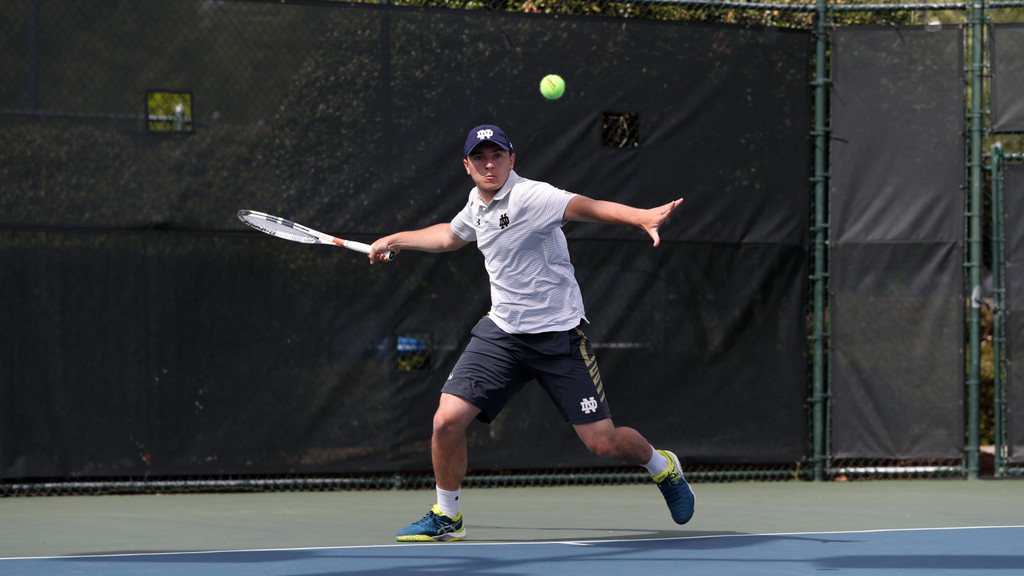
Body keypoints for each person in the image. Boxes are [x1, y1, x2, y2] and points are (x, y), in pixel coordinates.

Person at [368, 124, 693, 542]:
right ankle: (447, 515)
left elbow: (586, 206)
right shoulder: (476, 204)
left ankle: (662, 466)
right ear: (467, 165)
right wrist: (396, 239)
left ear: (512, 160)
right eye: (480, 158)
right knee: (445, 421)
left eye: (497, 156)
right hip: (503, 334)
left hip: (558, 338)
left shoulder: (531, 196)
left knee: (603, 443)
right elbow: (450, 235)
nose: (489, 165)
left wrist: (641, 216)